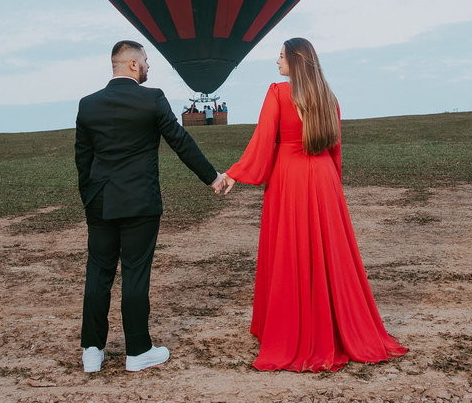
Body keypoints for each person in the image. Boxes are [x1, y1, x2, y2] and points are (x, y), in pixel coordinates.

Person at [213, 38, 407, 371]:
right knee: (328, 254)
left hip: (289, 178)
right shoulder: (329, 98)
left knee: (290, 251)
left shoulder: (277, 92)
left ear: (295, 62)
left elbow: (261, 144)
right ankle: (333, 326)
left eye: (281, 56)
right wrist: (333, 190)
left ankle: (289, 329)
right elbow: (335, 149)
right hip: (324, 178)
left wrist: (234, 173)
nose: (277, 62)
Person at [75, 40, 226, 373]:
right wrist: (212, 177)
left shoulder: (88, 105)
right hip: (139, 201)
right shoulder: (152, 98)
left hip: (100, 201)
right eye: (145, 61)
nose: (148, 66)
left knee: (98, 275)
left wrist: (90, 194)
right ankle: (138, 351)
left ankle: (91, 350)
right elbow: (180, 142)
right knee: (134, 275)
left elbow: (82, 158)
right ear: (132, 64)